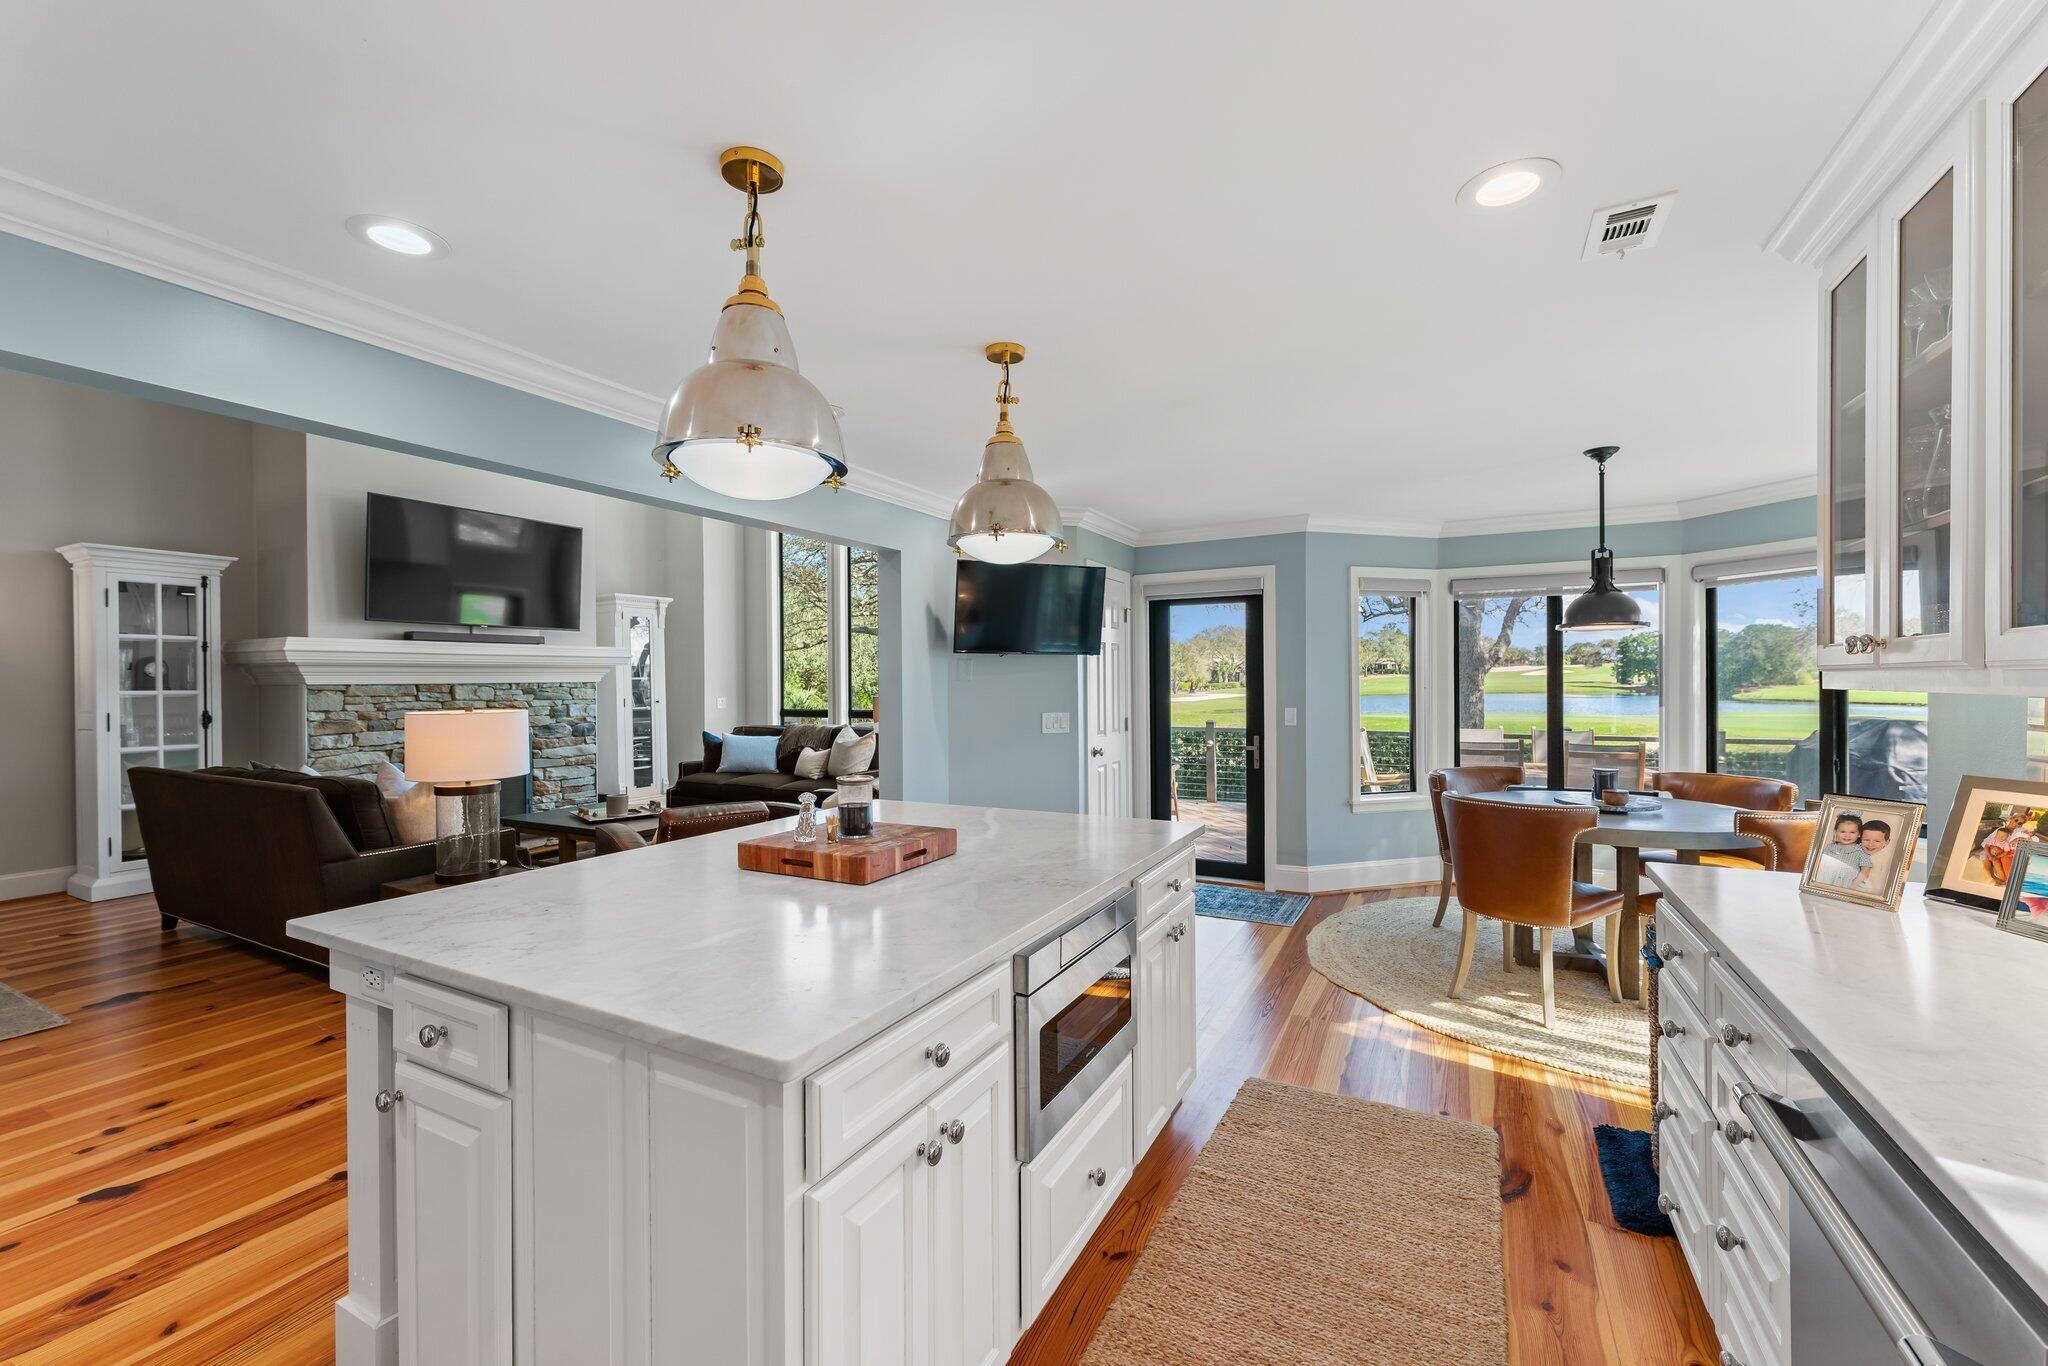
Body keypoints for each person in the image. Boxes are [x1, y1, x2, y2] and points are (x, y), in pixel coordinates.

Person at [1813, 812, 1870, 888]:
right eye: (1843, 831)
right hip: (1825, 882)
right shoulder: (1829, 847)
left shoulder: (1861, 851)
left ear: (1859, 834)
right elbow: (1819, 864)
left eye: (1852, 832)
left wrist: (1854, 884)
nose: (1847, 835)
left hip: (1847, 885)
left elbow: (1865, 871)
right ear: (1835, 832)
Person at [1981, 813, 2025, 885]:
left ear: (2020, 825)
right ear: (2011, 819)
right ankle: (1990, 879)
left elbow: (2010, 847)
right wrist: (1992, 847)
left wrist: (2018, 838)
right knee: (1987, 861)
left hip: (2003, 853)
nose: (2016, 823)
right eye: (2016, 820)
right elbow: (1986, 841)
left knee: (2001, 864)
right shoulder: (2000, 829)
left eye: (2019, 823)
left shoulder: (2016, 833)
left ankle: (2002, 880)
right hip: (1990, 850)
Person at [1851, 819, 1892, 891]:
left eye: (1877, 841)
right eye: (1866, 840)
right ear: (1860, 838)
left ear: (1887, 842)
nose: (1870, 844)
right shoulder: (1855, 850)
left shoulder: (1885, 860)